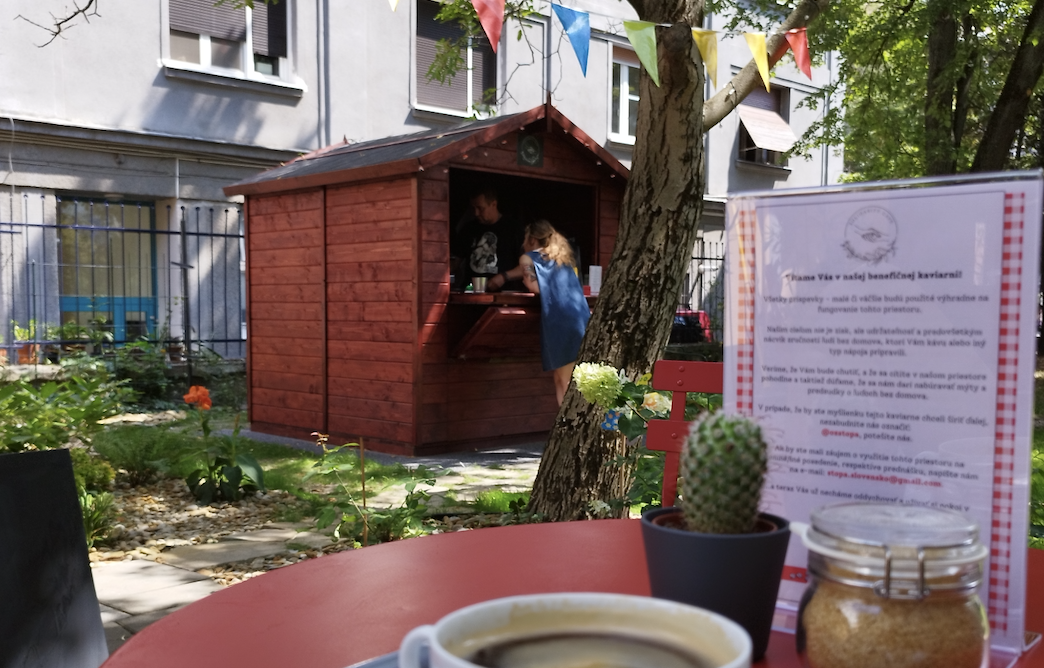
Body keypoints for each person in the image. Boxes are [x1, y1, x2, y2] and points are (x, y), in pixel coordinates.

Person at [518, 220, 590, 405]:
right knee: (566, 378)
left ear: (532, 239)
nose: (523, 242)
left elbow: (534, 286)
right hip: (580, 317)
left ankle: (568, 421)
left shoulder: (527, 258)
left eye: (525, 238)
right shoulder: (562, 257)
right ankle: (566, 420)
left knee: (564, 381)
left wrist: (525, 278)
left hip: (559, 320)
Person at [451, 188, 525, 291]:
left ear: (493, 204)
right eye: (473, 208)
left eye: (480, 208)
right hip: (471, 292)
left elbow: (527, 267)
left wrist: (504, 277)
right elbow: (454, 263)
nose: (476, 213)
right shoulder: (468, 229)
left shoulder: (514, 229)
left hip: (504, 294)